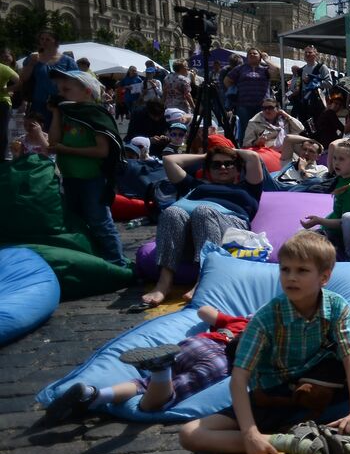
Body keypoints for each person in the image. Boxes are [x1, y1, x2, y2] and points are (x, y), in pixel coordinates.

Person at [177, 231, 350, 454]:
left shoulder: (337, 306)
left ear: (324, 277)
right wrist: (250, 433)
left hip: (320, 387)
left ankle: (349, 428)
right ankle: (289, 442)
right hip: (273, 397)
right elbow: (239, 378)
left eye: (302, 271)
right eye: (285, 270)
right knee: (190, 434)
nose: (291, 277)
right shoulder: (265, 318)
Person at [46, 305, 248, 421]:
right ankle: (161, 369)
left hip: (197, 343)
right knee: (159, 400)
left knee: (143, 383)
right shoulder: (268, 330)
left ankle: (93, 395)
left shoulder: (241, 321)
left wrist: (223, 317)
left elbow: (203, 311)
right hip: (223, 360)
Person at [140, 142, 266, 307]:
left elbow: (253, 157)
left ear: (237, 169)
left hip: (228, 225)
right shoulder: (195, 185)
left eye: (229, 164)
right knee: (172, 212)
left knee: (203, 211)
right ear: (208, 170)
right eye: (216, 165)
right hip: (190, 231)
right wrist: (206, 156)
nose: (223, 167)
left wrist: (226, 152)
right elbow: (170, 161)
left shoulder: (249, 188)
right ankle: (163, 284)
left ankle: (204, 281)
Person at [47, 69, 125, 266]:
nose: (61, 93)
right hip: (71, 177)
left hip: (93, 178)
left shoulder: (95, 115)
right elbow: (53, 142)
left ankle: (117, 262)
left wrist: (68, 150)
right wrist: (56, 113)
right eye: (59, 89)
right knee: (77, 221)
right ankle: (90, 259)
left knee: (100, 221)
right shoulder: (67, 113)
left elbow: (102, 151)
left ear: (87, 91)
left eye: (67, 89)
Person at [300, 139, 350, 262]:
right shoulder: (345, 178)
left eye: (341, 159)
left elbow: (343, 222)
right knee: (303, 240)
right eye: (334, 158)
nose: (336, 163)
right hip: (339, 225)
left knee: (348, 218)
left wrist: (319, 221)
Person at [18, 30, 78, 129]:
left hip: (60, 103)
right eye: (42, 39)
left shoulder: (68, 61)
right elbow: (23, 78)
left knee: (59, 132)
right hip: (38, 103)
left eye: (48, 39)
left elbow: (75, 81)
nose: (44, 42)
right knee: (39, 131)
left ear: (56, 41)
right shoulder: (33, 58)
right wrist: (31, 64)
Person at [224, 48, 277, 144]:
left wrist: (267, 59)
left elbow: (277, 70)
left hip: (262, 105)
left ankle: (262, 148)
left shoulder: (265, 69)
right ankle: (245, 148)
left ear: (260, 57)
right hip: (243, 104)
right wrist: (235, 91)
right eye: (249, 54)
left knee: (263, 127)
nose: (252, 55)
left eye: (255, 53)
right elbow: (227, 80)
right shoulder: (240, 68)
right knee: (245, 128)